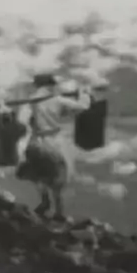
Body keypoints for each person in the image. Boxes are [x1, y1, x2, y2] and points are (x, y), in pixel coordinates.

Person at [15, 73, 92, 220]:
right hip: (54, 141)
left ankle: (45, 202)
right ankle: (58, 210)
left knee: (39, 173)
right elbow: (83, 107)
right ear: (50, 86)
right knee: (57, 174)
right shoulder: (58, 100)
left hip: (36, 142)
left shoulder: (30, 102)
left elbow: (21, 121)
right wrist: (84, 95)